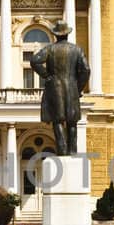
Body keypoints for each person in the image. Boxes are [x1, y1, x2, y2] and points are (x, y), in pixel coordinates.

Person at [30, 20, 89, 155]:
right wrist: (78, 88)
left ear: (56, 35)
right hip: (72, 88)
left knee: (58, 121)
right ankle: (73, 151)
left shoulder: (50, 49)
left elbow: (34, 60)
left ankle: (62, 151)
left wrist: (46, 75)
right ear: (67, 34)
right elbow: (86, 70)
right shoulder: (77, 50)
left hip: (55, 88)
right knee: (72, 122)